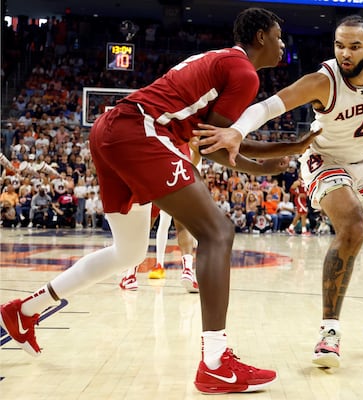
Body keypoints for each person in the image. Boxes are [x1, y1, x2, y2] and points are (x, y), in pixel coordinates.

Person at [0, 8, 315, 394]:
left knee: (128, 253)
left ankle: (23, 310)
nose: (284, 44)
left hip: (113, 131)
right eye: (279, 36)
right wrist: (288, 147)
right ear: (262, 36)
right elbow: (212, 143)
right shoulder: (244, 73)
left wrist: (264, 166)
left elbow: (211, 141)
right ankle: (216, 362)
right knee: (218, 232)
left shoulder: (220, 59)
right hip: (140, 131)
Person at [193, 15, 363, 368]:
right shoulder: (323, 80)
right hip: (324, 159)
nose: (345, 53)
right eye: (339, 45)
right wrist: (235, 131)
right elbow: (268, 106)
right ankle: (329, 332)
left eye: (354, 47)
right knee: (353, 226)